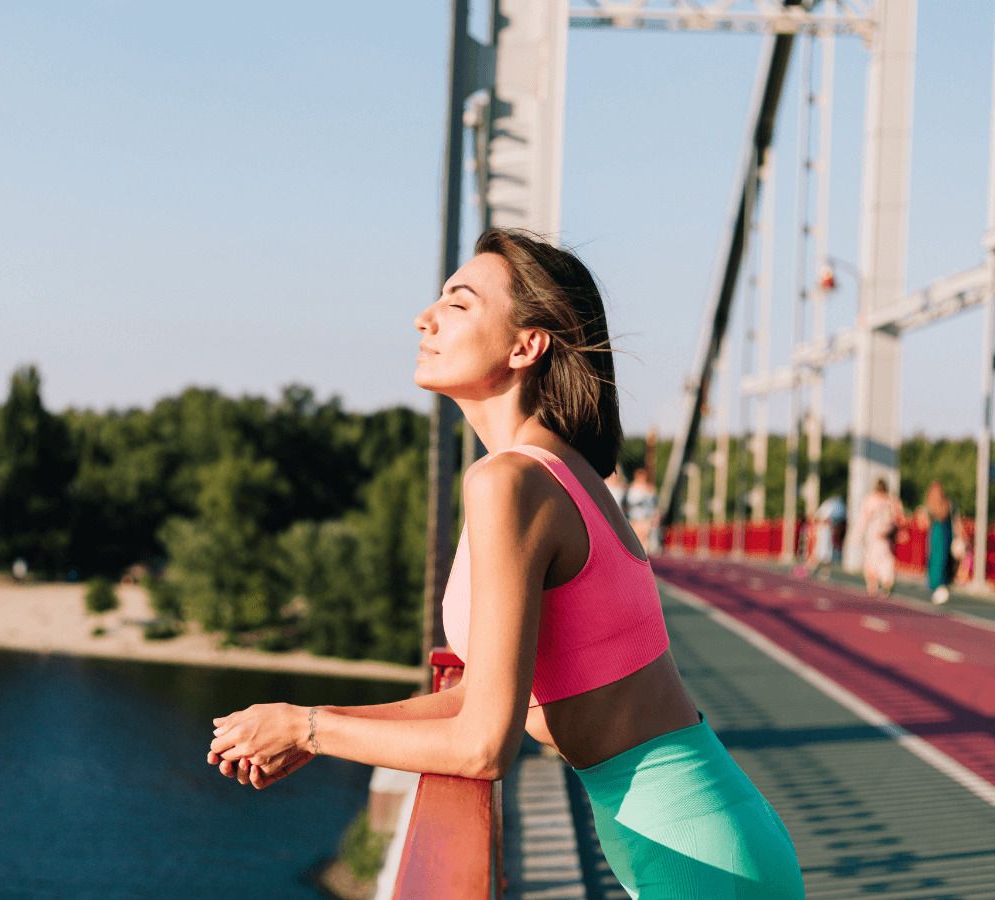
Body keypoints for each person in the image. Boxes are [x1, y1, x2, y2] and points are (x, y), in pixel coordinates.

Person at [207, 229, 804, 898]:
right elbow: (482, 699)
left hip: (697, 860)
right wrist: (310, 722)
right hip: (705, 835)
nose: (424, 318)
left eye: (458, 303)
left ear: (526, 346)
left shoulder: (512, 483)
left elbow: (484, 746)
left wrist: (307, 729)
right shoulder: (553, 472)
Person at [857, 478, 903, 597]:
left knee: (873, 560)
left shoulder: (872, 500)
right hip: (885, 535)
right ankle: (886, 582)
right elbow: (899, 518)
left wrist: (859, 535)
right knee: (885, 560)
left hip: (874, 535)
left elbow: (863, 519)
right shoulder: (891, 500)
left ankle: (874, 586)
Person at [925, 481, 955, 605]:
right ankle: (940, 584)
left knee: (938, 558)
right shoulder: (946, 503)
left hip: (939, 530)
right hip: (942, 530)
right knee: (940, 558)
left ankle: (939, 584)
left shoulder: (936, 503)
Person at [624, 467, 659, 553]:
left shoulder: (650, 488)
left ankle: (644, 556)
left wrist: (655, 516)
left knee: (644, 536)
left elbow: (654, 505)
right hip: (635, 516)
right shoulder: (631, 487)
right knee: (636, 537)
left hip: (645, 517)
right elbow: (628, 503)